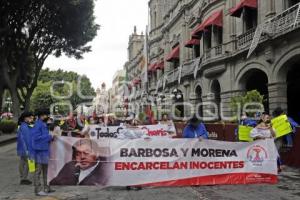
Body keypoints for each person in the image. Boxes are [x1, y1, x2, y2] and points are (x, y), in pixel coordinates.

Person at [31, 109, 54, 196]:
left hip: (44, 150)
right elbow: (36, 138)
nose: (47, 116)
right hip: (39, 151)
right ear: (41, 116)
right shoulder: (37, 125)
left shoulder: (43, 124)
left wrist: (51, 137)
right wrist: (49, 137)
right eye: (45, 115)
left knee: (46, 171)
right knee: (38, 171)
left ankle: (47, 187)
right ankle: (38, 190)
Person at [17, 111, 34, 185]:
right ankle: (24, 178)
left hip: (22, 147)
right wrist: (27, 149)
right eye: (29, 117)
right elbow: (26, 139)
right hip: (25, 148)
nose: (31, 118)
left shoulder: (23, 126)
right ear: (25, 118)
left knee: (22, 161)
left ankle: (22, 177)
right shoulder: (24, 127)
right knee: (27, 162)